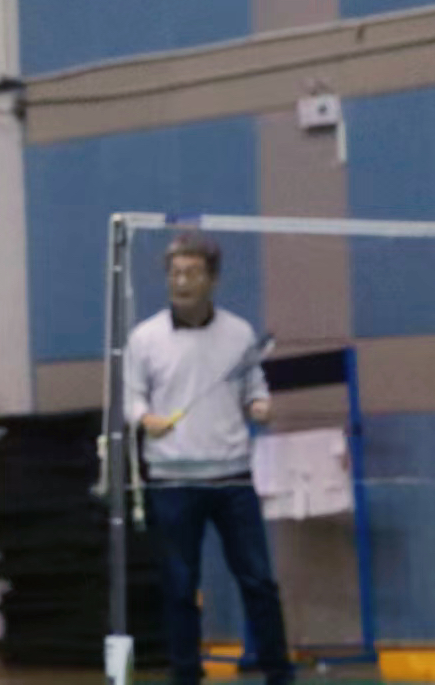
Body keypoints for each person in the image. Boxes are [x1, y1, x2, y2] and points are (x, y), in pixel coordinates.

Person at [125, 234, 291, 685]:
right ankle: (186, 675)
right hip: (171, 483)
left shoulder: (239, 334)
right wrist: (146, 419)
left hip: (233, 479)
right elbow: (132, 398)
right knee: (180, 587)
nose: (181, 282)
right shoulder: (144, 339)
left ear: (212, 279)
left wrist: (260, 406)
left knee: (258, 582)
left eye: (192, 273)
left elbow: (255, 388)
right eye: (175, 273)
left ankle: (279, 674)